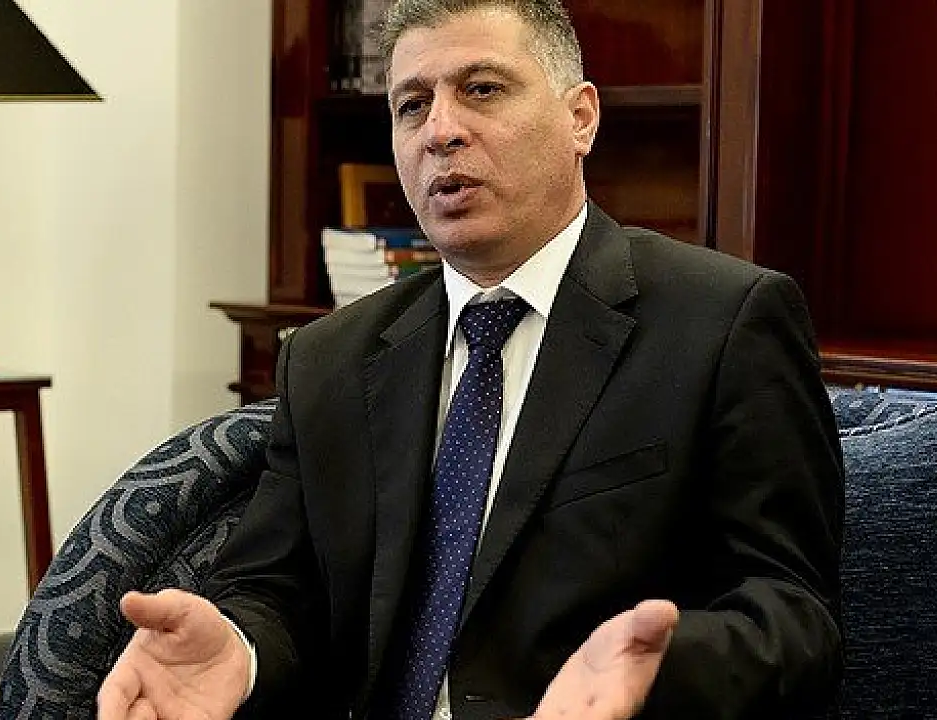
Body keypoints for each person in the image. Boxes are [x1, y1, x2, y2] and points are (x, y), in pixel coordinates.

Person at [99, 1, 843, 718]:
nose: (441, 131)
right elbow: (275, 590)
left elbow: (793, 617)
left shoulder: (723, 322)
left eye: (481, 89)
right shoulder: (329, 357)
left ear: (580, 117)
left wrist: (657, 673)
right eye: (411, 105)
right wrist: (239, 650)